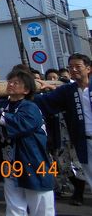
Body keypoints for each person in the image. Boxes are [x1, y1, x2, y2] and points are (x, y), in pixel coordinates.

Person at [0, 69, 55, 215]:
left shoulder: (30, 107)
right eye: (10, 81)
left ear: (26, 90)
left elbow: (13, 123)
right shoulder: (3, 104)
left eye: (17, 83)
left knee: (41, 207)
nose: (11, 84)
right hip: (10, 164)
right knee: (14, 208)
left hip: (33, 163)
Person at [34, 53, 92, 203]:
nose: (74, 70)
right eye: (70, 67)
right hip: (83, 141)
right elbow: (44, 102)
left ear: (88, 68)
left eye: (78, 66)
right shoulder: (68, 91)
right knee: (89, 174)